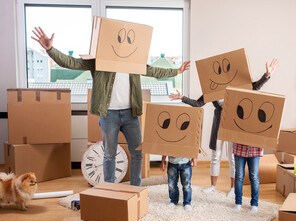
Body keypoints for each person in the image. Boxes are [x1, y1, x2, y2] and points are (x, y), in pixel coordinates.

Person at [31, 27, 190, 186]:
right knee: (109, 155)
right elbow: (71, 63)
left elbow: (154, 71)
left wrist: (177, 71)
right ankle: (109, 189)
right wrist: (50, 49)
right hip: (109, 115)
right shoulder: (99, 61)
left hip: (130, 114)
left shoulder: (133, 62)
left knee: (137, 153)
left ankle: (135, 189)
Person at [169, 58, 279, 197]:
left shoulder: (238, 84)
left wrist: (267, 74)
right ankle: (213, 186)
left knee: (232, 157)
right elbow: (198, 103)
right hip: (219, 124)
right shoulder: (213, 87)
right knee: (216, 155)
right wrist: (182, 98)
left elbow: (255, 87)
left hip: (234, 126)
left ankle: (233, 188)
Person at [232, 58, 280, 214]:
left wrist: (267, 74)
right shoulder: (233, 96)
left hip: (253, 145)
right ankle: (238, 202)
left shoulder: (250, 91)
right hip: (239, 144)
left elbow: (257, 86)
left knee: (253, 176)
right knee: (239, 175)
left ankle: (254, 204)